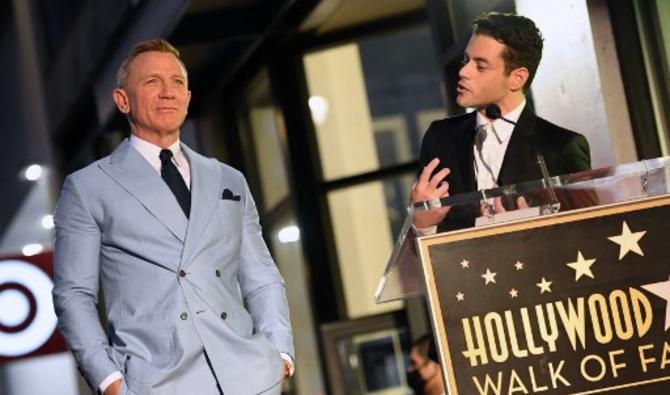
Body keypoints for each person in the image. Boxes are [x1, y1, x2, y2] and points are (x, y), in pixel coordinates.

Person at [52, 39, 294, 395]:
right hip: (158, 382)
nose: (168, 92)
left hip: (250, 376)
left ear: (188, 97)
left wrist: (280, 351)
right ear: (122, 100)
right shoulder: (88, 187)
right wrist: (109, 381)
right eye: (151, 82)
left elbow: (261, 275)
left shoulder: (228, 179)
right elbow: (73, 294)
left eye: (177, 82)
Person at [411, 12, 591, 231]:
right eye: (466, 60)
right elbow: (419, 245)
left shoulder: (560, 148)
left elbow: (588, 234)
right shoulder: (440, 137)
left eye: (481, 66)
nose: (463, 71)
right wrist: (422, 224)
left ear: (517, 78)